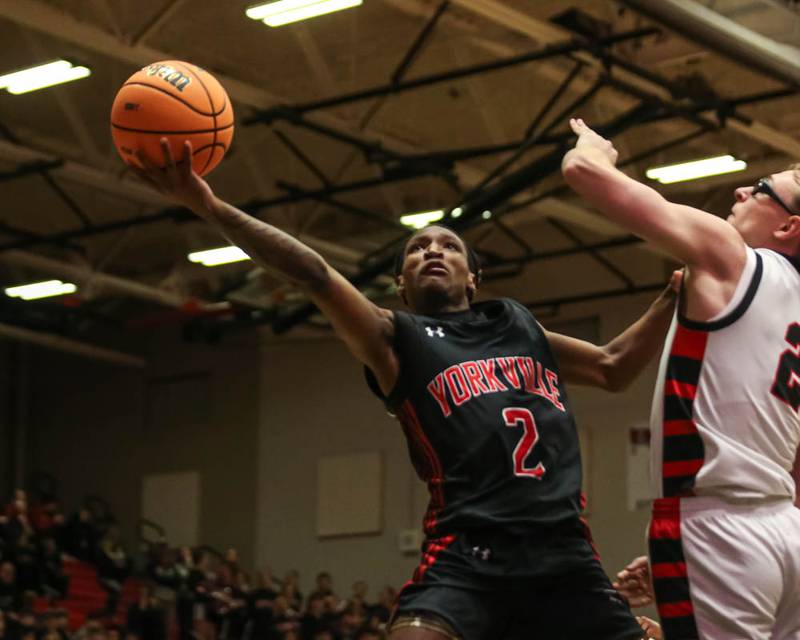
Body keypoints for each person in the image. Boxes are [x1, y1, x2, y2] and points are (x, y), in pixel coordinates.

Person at [132, 138, 679, 640]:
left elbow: (613, 366)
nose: (433, 252)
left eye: (449, 246)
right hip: (466, 553)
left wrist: (672, 296)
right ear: (401, 284)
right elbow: (314, 274)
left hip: (562, 552)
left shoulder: (519, 325)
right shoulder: (398, 339)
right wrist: (209, 206)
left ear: (473, 278)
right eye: (417, 250)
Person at [563, 118, 800, 639]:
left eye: (760, 189)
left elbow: (583, 172)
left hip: (718, 523)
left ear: (788, 227)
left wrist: (594, 147)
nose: (742, 189)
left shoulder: (733, 258)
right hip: (786, 532)